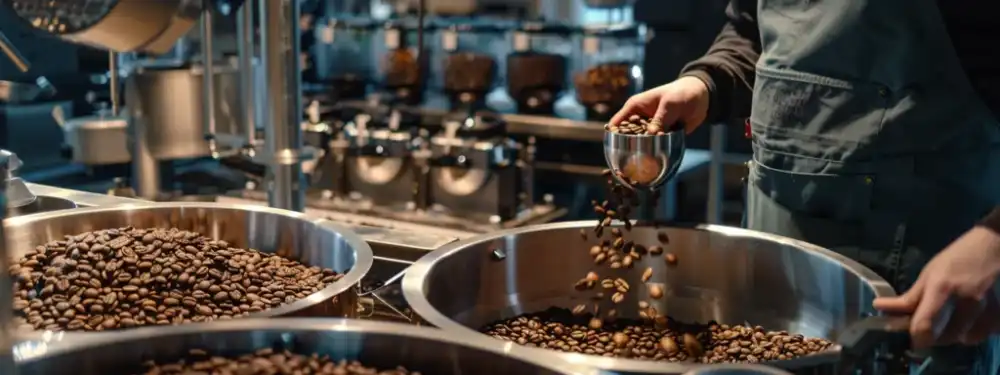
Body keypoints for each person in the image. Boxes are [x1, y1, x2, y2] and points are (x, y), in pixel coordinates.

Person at [610, 0, 1000, 373]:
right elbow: (751, 30)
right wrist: (705, 83)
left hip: (924, 291)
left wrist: (993, 242)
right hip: (767, 276)